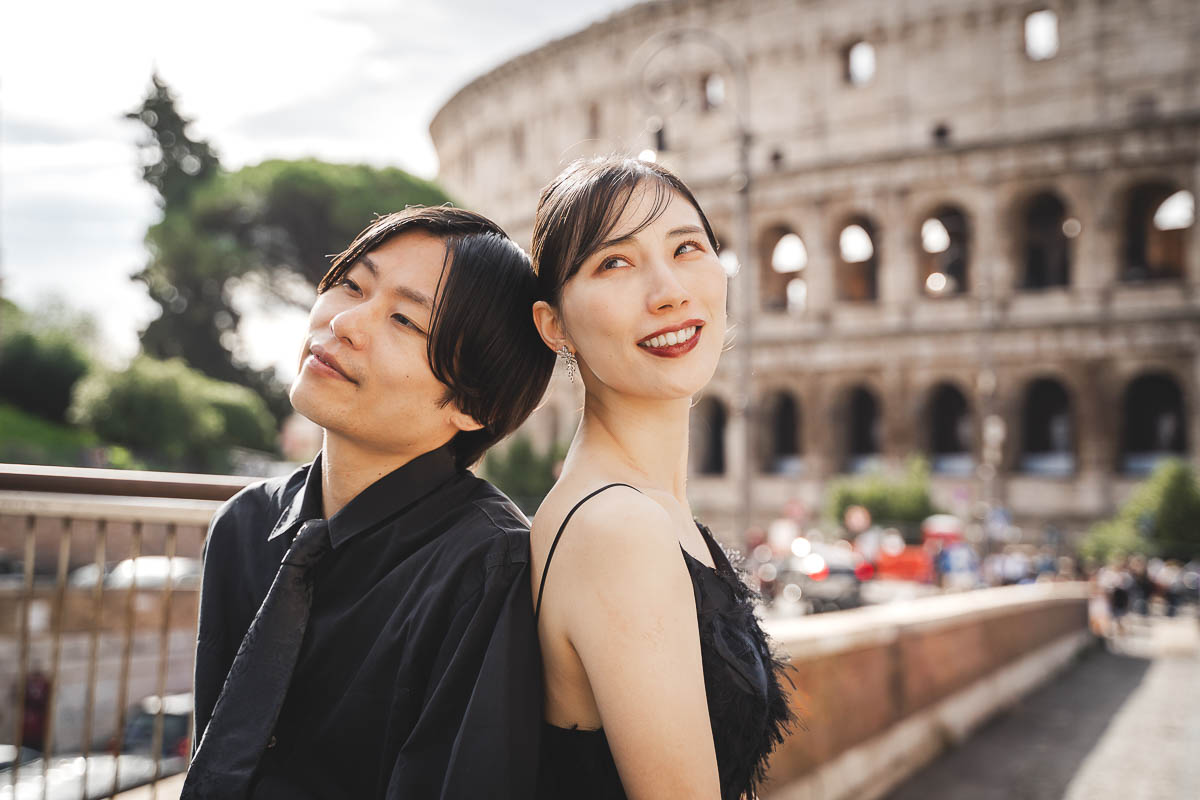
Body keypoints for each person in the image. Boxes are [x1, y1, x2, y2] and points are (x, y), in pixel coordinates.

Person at [183, 207, 555, 799]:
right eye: (351, 284)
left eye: (405, 320)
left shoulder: (489, 568)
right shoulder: (244, 525)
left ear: (473, 404)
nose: (347, 321)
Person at [527, 156, 795, 800]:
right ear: (553, 325)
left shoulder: (639, 509)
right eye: (614, 263)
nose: (670, 289)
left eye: (688, 248)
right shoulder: (618, 528)